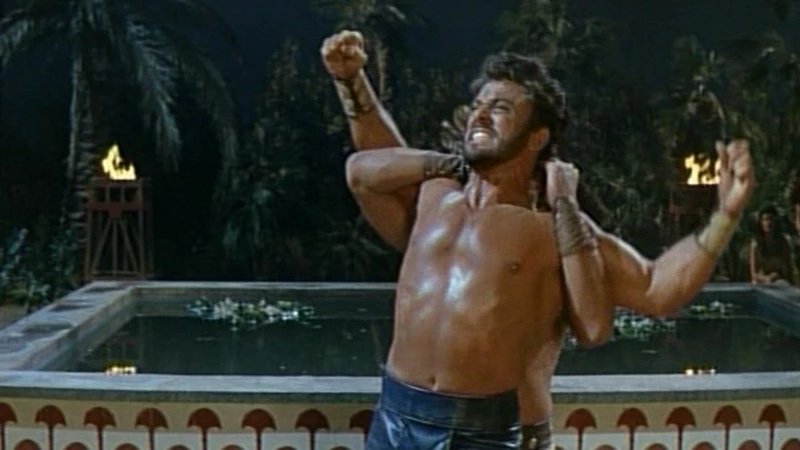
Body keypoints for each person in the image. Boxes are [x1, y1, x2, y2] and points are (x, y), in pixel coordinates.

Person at [320, 30, 754, 450]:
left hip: (491, 433)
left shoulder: (555, 228)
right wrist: (351, 80)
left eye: (500, 108)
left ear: (537, 137)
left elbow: (657, 290)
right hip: (398, 419)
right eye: (478, 105)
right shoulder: (435, 196)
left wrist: (726, 215)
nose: (480, 115)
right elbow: (378, 163)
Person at [749, 205, 795, 284]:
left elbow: (787, 270)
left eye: (771, 219)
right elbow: (753, 274)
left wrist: (775, 276)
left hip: (779, 281)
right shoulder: (755, 244)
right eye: (765, 219)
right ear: (761, 222)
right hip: (761, 281)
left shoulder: (783, 242)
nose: (768, 222)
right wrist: (766, 278)